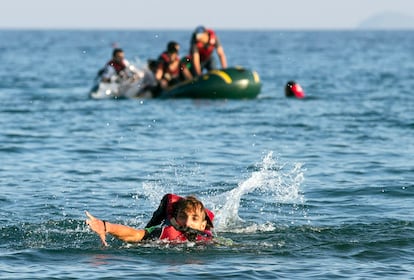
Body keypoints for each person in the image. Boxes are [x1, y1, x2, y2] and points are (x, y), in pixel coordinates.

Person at [85, 194, 215, 246]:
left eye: (194, 218)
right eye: (182, 216)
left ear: (203, 225)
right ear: (175, 218)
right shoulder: (161, 232)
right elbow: (135, 234)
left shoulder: (208, 238)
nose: (187, 223)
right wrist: (106, 226)